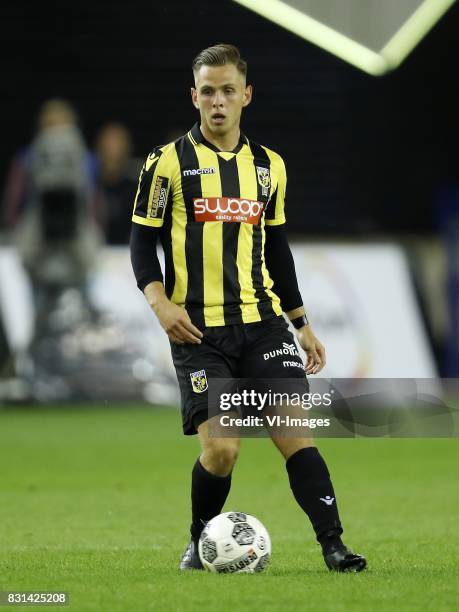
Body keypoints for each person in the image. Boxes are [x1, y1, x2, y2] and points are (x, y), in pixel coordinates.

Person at [130, 44, 366, 573]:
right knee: (223, 452)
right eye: (208, 92)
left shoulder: (268, 167)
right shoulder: (165, 164)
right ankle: (198, 541)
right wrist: (160, 304)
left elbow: (277, 251)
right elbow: (141, 244)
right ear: (194, 96)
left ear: (246, 95)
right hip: (198, 332)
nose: (218, 101)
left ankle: (334, 546)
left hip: (263, 326)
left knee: (294, 435)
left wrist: (301, 324)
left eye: (227, 91)